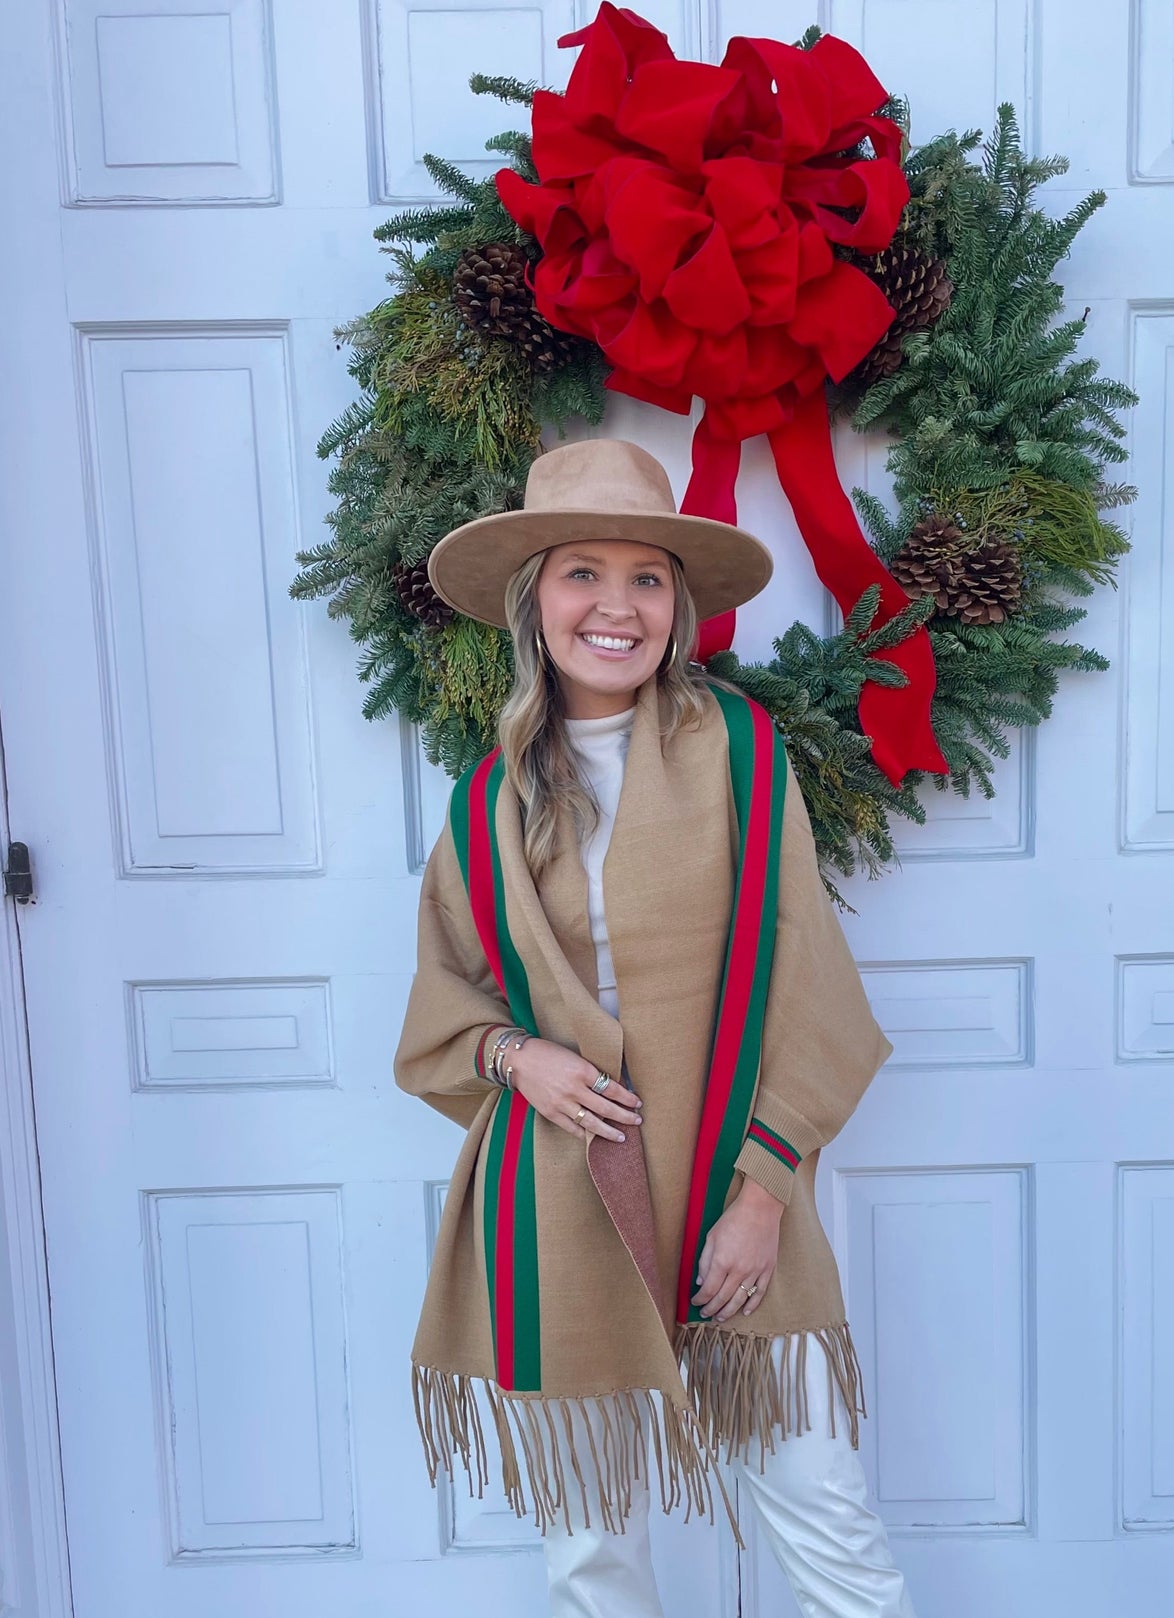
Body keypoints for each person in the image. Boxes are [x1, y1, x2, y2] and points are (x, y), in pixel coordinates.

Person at [394, 436, 917, 1617]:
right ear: (536, 598)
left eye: (645, 576)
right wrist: (516, 1054)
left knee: (824, 1513)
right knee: (591, 1555)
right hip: (563, 1197)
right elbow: (445, 1005)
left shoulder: (734, 749)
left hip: (733, 1179)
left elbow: (809, 980)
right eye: (583, 572)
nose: (615, 606)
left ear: (676, 604)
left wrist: (763, 1194)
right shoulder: (489, 798)